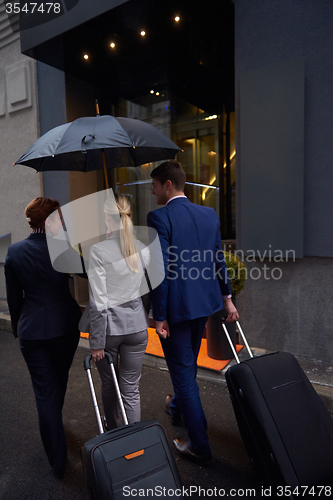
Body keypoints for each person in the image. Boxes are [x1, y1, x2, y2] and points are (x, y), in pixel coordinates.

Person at [147, 160, 239, 466]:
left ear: (168, 185)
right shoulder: (208, 214)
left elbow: (161, 270)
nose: (152, 190)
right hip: (204, 305)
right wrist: (227, 299)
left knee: (183, 373)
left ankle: (199, 445)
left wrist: (158, 315)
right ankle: (179, 409)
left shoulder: (159, 217)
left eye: (155, 185)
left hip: (175, 310)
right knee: (186, 367)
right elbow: (218, 259)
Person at [4, 197, 82, 477]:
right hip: (65, 328)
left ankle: (56, 455)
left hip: (32, 331)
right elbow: (88, 271)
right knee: (57, 382)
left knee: (45, 390)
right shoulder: (62, 249)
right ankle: (57, 441)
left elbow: (15, 298)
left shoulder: (14, 252)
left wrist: (17, 327)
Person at [80, 193, 150, 429]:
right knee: (131, 389)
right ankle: (133, 440)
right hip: (138, 328)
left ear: (108, 219)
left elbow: (99, 301)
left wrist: (96, 342)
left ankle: (113, 430)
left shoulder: (99, 252)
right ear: (129, 216)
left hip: (110, 331)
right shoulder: (143, 249)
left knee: (110, 385)